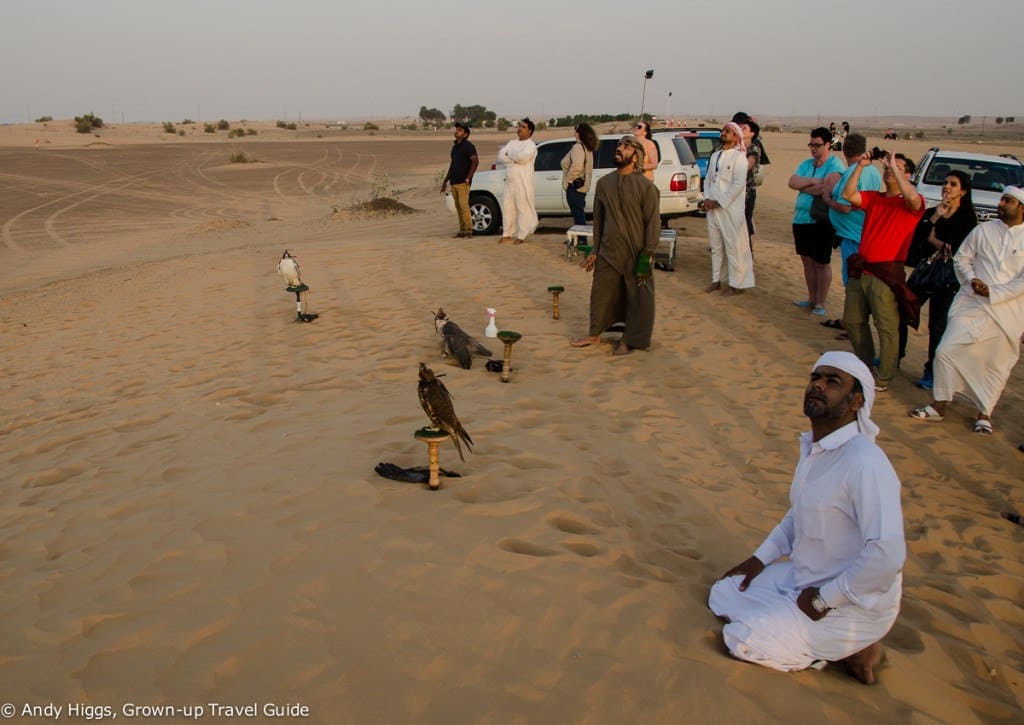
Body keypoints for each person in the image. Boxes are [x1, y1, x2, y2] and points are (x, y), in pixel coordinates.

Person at [709, 351, 906, 685]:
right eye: (816, 378)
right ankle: (796, 626)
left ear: (856, 401)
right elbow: (797, 513)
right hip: (806, 580)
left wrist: (824, 600)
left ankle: (854, 648)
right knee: (723, 593)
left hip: (852, 603)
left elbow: (887, 554)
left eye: (833, 382)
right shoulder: (817, 449)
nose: (818, 386)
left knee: (741, 640)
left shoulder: (865, 463)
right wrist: (760, 559)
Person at [909, 187, 1024, 434]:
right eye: (1002, 199)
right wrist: (972, 280)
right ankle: (939, 405)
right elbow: (962, 259)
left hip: (1007, 313)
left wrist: (993, 292)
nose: (1001, 203)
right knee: (946, 351)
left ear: (1021, 208)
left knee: (995, 365)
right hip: (971, 304)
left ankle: (984, 414)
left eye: (1008, 200)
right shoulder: (983, 230)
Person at [841, 151, 925, 392]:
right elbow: (847, 194)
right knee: (853, 320)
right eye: (887, 167)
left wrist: (895, 169)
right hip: (862, 270)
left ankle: (885, 376)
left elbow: (912, 198)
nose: (889, 170)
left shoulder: (911, 203)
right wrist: (860, 166)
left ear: (907, 174)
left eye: (897, 167)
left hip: (886, 273)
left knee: (886, 326)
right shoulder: (875, 199)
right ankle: (864, 366)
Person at [570, 136, 660, 356]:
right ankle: (594, 333)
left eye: (626, 147)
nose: (620, 149)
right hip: (609, 251)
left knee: (637, 296)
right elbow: (599, 221)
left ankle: (629, 340)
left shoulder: (646, 187)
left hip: (636, 252)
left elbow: (652, 223)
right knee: (601, 292)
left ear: (636, 155)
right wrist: (595, 251)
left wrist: (646, 255)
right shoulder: (604, 184)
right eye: (619, 145)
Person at [907, 171, 977, 390]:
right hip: (925, 272)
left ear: (963, 191)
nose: (947, 187)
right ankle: (895, 355)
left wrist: (933, 239)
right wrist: (936, 217)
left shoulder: (966, 217)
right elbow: (918, 240)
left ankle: (932, 371)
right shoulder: (933, 211)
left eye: (953, 184)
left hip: (948, 279)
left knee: (938, 326)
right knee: (902, 308)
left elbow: (957, 248)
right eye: (945, 182)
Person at [789, 127, 845, 317]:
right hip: (801, 218)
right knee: (806, 260)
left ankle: (821, 302)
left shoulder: (835, 165)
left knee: (821, 262)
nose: (813, 149)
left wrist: (806, 185)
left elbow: (827, 188)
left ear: (828, 145)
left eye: (817, 145)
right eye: (811, 145)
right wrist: (813, 182)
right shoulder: (806, 163)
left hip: (821, 220)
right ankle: (812, 298)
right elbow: (792, 182)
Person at [823, 133, 882, 289]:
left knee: (852, 278)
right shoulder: (873, 171)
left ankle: (852, 313)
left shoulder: (853, 173)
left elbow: (845, 206)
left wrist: (828, 200)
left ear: (844, 149)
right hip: (862, 232)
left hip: (852, 235)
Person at [703, 122, 754, 295]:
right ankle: (716, 280)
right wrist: (707, 199)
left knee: (733, 246)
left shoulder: (739, 157)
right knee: (715, 246)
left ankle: (735, 284)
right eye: (723, 131)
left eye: (728, 131)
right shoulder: (716, 155)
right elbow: (708, 179)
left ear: (736, 137)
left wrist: (719, 201)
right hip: (712, 209)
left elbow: (738, 185)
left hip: (730, 210)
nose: (723, 133)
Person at [497, 118, 539, 244]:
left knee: (522, 208)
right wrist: (513, 157)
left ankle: (521, 235)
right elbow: (500, 156)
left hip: (523, 181)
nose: (520, 128)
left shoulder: (531, 145)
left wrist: (509, 155)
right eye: (519, 126)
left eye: (523, 127)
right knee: (507, 207)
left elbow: (523, 158)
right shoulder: (512, 142)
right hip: (510, 180)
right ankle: (507, 234)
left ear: (530, 131)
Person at [439, 123, 479, 238]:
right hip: (454, 181)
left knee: (464, 206)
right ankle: (462, 230)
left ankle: (468, 231)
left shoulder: (468, 146)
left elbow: (475, 161)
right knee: (458, 207)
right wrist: (445, 181)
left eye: (460, 130)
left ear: (465, 134)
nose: (456, 131)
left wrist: (468, 177)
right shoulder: (455, 147)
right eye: (456, 129)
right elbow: (453, 165)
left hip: (463, 182)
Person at [561, 122, 598, 227]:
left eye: (576, 132)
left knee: (578, 215)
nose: (574, 134)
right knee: (579, 214)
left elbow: (577, 166)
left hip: (574, 187)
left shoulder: (578, 147)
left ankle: (581, 239)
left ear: (581, 133)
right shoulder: (587, 147)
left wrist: (568, 181)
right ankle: (579, 238)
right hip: (581, 186)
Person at [734, 114, 761, 252]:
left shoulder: (754, 149)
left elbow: (746, 167)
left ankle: (748, 255)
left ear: (752, 133)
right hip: (734, 193)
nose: (741, 130)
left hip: (747, 194)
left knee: (745, 225)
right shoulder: (735, 148)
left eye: (744, 128)